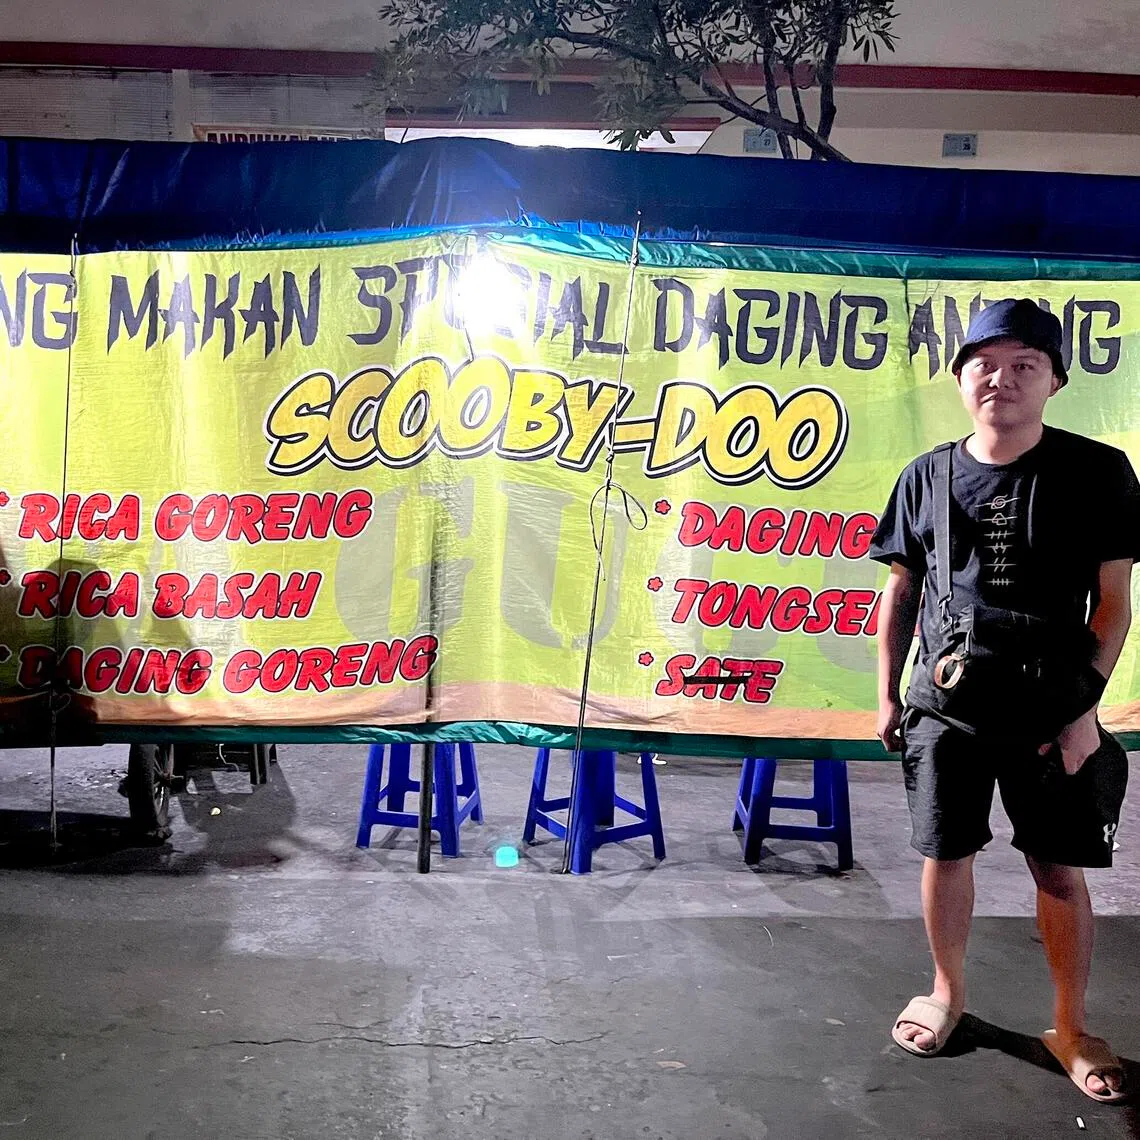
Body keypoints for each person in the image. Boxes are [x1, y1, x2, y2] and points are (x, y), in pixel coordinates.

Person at [870, 298, 1137, 1103]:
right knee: (945, 852)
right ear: (960, 378)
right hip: (944, 707)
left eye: (1026, 364)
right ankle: (947, 993)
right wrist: (885, 697)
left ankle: (1071, 1023)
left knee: (1056, 867)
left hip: (1052, 708)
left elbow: (1113, 605)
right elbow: (901, 593)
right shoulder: (925, 475)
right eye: (985, 363)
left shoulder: (1099, 472)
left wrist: (1084, 710)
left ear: (1055, 380)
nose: (1003, 379)